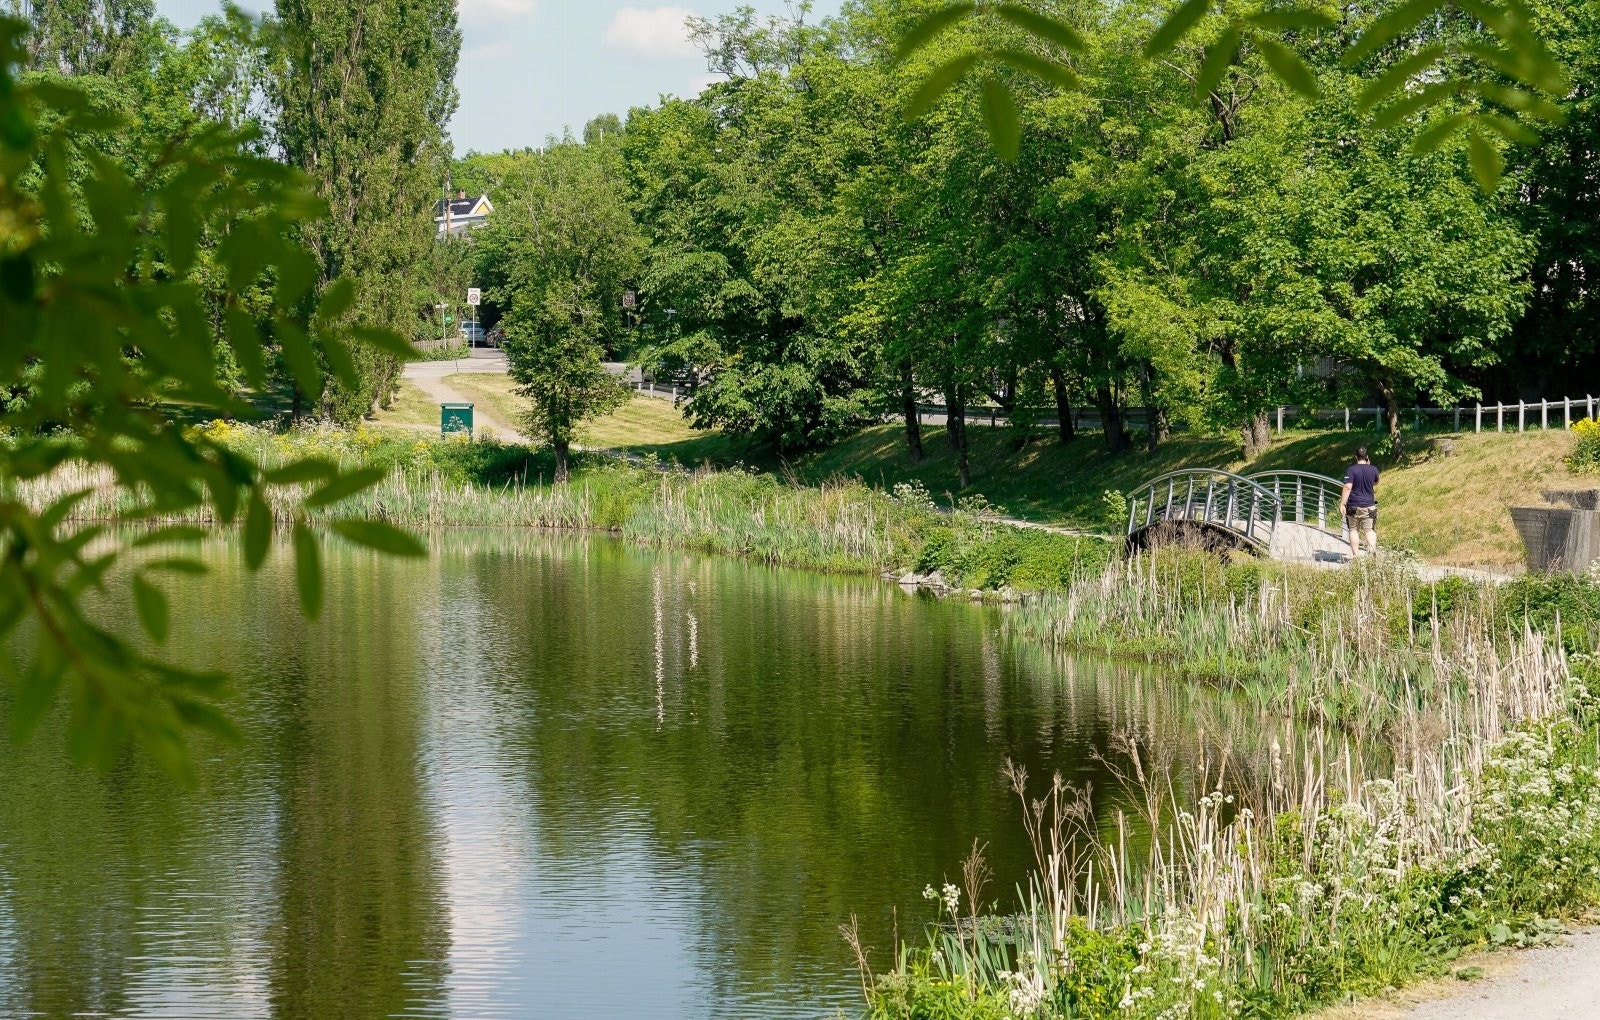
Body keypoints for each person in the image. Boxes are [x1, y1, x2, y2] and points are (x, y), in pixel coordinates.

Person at [1338, 446, 1380, 561]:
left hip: (1353, 506)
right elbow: (1376, 482)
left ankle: (1356, 556)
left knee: (1353, 529)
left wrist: (1342, 503)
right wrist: (1369, 466)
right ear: (1367, 457)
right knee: (1369, 530)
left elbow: (1347, 487)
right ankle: (1372, 550)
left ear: (1356, 457)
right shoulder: (1373, 469)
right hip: (1369, 505)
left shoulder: (1351, 470)